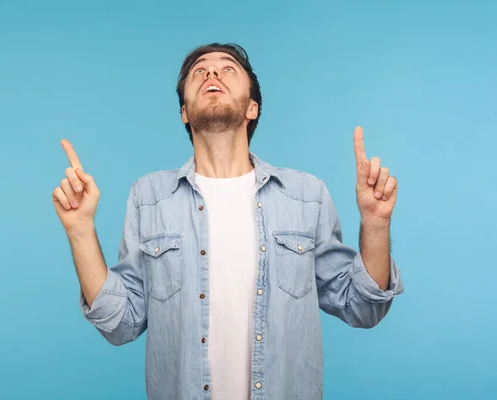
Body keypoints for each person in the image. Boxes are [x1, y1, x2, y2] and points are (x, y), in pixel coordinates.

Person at [52, 43, 404, 400]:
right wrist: (79, 229)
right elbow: (121, 322)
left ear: (252, 108)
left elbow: (364, 307)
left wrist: (375, 224)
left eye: (227, 68)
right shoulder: (149, 197)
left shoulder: (305, 195)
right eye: (199, 71)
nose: (212, 74)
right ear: (184, 113)